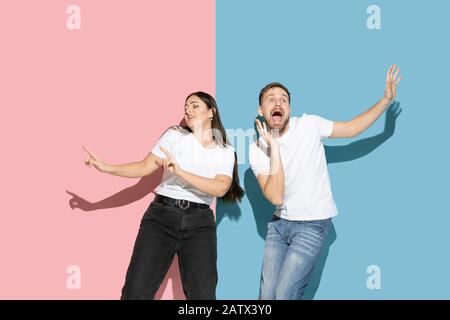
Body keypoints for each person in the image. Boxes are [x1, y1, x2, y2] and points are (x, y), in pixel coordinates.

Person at [249, 65, 402, 299]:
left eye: (283, 100)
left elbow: (351, 129)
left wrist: (385, 100)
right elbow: (275, 197)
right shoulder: (257, 149)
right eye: (271, 100)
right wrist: (275, 150)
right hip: (279, 225)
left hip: (313, 224)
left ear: (290, 108)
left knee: (283, 295)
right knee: (266, 295)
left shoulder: (309, 125)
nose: (278, 103)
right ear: (261, 109)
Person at [83, 91, 244, 300]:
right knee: (135, 292)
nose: (188, 110)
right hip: (161, 218)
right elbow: (143, 167)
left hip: (200, 224)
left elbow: (220, 188)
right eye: (186, 106)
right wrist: (106, 167)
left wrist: (181, 172)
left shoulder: (225, 151)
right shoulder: (175, 135)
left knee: (203, 296)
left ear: (211, 112)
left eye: (195, 105)